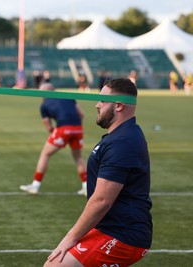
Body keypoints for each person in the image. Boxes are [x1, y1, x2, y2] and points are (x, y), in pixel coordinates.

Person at [44, 78, 152, 267]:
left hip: (123, 235)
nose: (97, 105)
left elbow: (101, 200)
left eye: (102, 100)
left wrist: (70, 237)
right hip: (110, 227)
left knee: (55, 265)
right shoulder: (122, 135)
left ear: (118, 106)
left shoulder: (122, 142)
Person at [20, 82, 87, 196]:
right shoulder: (68, 97)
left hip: (63, 129)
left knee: (45, 154)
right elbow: (81, 114)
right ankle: (86, 187)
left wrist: (56, 132)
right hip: (78, 129)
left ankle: (35, 185)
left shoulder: (44, 105)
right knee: (78, 158)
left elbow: (48, 125)